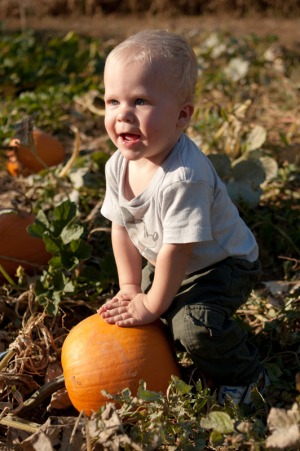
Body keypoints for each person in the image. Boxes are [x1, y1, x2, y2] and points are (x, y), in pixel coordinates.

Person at [97, 29, 269, 405]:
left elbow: (179, 248)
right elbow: (121, 227)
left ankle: (248, 374)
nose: (122, 114)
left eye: (140, 101)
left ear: (182, 115)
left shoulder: (185, 177)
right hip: (172, 258)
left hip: (224, 264)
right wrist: (131, 288)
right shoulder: (118, 165)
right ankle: (165, 358)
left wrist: (152, 303)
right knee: (144, 307)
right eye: (112, 101)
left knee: (191, 326)